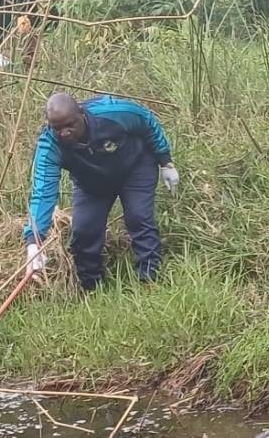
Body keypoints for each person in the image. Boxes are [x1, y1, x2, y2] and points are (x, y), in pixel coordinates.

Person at [22, 93, 179, 290]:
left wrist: (165, 161)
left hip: (136, 168)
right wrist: (34, 242)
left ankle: (150, 279)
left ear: (81, 114)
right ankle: (91, 286)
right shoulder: (50, 146)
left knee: (139, 217)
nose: (64, 133)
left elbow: (146, 121)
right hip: (91, 183)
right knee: (84, 231)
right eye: (57, 128)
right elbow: (43, 192)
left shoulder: (113, 113)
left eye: (70, 124)